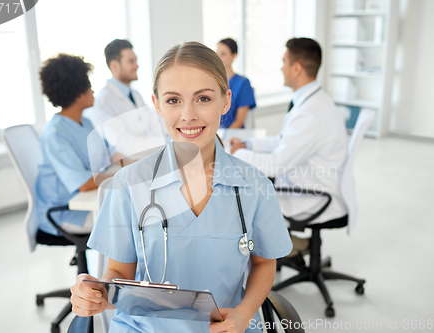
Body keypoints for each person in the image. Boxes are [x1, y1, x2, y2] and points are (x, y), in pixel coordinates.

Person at [70, 42, 292, 333]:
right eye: (173, 100)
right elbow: (118, 275)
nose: (188, 115)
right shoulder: (128, 184)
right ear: (157, 105)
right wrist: (96, 295)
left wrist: (244, 312)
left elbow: (264, 263)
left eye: (203, 98)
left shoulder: (255, 187)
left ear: (225, 101)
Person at [230, 38, 348, 264]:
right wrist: (249, 145)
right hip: (315, 183)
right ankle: (292, 245)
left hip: (313, 194)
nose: (281, 67)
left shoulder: (310, 113)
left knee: (244, 198)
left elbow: (277, 164)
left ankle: (275, 253)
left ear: (297, 68)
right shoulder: (314, 101)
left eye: (284, 62)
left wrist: (237, 155)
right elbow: (285, 140)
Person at [36, 54, 112, 235]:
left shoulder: (85, 123)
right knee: (129, 220)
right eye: (89, 86)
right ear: (77, 93)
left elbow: (109, 154)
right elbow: (84, 184)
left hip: (90, 201)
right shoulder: (55, 134)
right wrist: (124, 174)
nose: (93, 91)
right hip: (68, 212)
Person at [217, 38, 256, 129]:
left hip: (231, 136)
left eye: (223, 54)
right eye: (217, 52)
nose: (218, 57)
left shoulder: (243, 83)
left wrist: (221, 141)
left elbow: (238, 122)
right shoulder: (212, 82)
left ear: (234, 55)